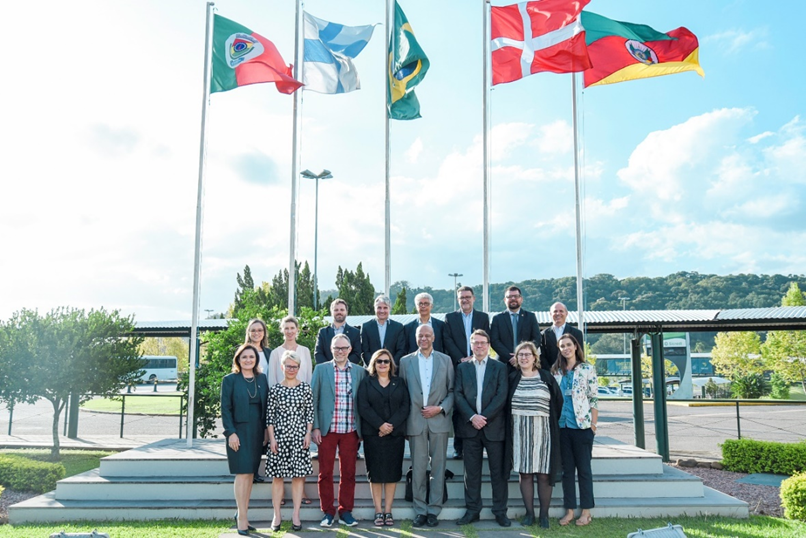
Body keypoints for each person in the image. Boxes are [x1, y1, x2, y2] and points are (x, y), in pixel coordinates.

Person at [398, 324, 454, 528]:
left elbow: (452, 391)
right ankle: (420, 510)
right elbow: (402, 394)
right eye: (420, 335)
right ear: (415, 338)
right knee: (419, 468)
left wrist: (439, 409)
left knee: (438, 467)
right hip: (415, 421)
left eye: (427, 335)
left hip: (439, 420)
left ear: (434, 337)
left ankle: (434, 510)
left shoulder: (445, 360)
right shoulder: (405, 362)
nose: (424, 338)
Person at [453, 330, 510, 527]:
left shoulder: (500, 367)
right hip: (469, 428)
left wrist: (483, 417)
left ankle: (500, 511)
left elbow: (502, 395)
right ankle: (472, 510)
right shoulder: (462, 368)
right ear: (471, 345)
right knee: (471, 473)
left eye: (482, 343)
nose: (479, 346)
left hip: (493, 427)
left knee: (498, 473)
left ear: (488, 345)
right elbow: (458, 395)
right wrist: (472, 417)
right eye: (475, 343)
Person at [310, 333, 367, 527]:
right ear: (331, 350)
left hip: (351, 429)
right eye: (336, 348)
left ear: (350, 350)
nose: (340, 351)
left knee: (348, 473)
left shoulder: (359, 371)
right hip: (327, 430)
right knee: (325, 472)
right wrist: (315, 427)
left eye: (344, 348)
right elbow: (313, 401)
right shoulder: (321, 369)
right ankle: (327, 511)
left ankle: (345, 511)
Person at [507, 341, 562, 529]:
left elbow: (558, 402)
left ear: (534, 358)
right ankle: (529, 514)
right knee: (525, 474)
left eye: (527, 354)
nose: (524, 357)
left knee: (544, 474)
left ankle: (544, 515)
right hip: (519, 433)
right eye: (520, 355)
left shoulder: (546, 377)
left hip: (543, 432)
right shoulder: (512, 378)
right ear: (516, 358)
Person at [357, 349, 410, 527]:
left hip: (394, 435)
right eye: (379, 361)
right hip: (373, 435)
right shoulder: (366, 383)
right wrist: (380, 425)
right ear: (374, 363)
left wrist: (390, 426)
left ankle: (388, 511)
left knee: (392, 474)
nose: (382, 364)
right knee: (376, 474)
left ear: (391, 364)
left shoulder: (399, 382)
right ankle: (378, 511)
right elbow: (363, 406)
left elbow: (405, 406)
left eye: (386, 361)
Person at [220, 344, 268, 536]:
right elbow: (225, 408)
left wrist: (266, 431)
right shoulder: (230, 380)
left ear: (256, 359)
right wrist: (230, 432)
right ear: (238, 360)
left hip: (257, 432)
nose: (248, 360)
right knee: (242, 473)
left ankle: (243, 514)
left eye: (251, 357)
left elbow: (267, 407)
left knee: (250, 475)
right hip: (238, 433)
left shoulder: (262, 379)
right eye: (244, 357)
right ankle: (241, 518)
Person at [552, 333, 598, 527]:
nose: (566, 348)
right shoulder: (556, 371)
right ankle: (569, 510)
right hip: (562, 427)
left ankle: (586, 511)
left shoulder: (587, 369)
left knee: (584, 471)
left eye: (569, 345)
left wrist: (593, 425)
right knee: (567, 472)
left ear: (576, 347)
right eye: (562, 346)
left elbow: (594, 398)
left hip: (582, 427)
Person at [266, 350, 313, 532]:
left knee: (298, 476)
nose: (291, 369)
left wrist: (308, 433)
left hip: (299, 438)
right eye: (288, 366)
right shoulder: (275, 389)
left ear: (299, 368)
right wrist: (272, 439)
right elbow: (270, 417)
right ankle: (277, 514)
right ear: (282, 367)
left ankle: (295, 514)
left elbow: (309, 413)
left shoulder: (305, 388)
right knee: (278, 477)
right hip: (279, 437)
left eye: (295, 366)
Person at [444, 286, 490, 459]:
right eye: (461, 297)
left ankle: (481, 443)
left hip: (479, 365)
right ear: (458, 300)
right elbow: (447, 339)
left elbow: (486, 339)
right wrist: (462, 358)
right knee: (459, 406)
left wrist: (474, 357)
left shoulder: (483, 317)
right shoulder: (450, 317)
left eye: (468, 297)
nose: (465, 300)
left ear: (474, 298)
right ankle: (459, 447)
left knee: (477, 402)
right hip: (459, 367)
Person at [490, 286, 541, 373]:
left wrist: (522, 355)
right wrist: (510, 357)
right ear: (504, 300)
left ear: (521, 299)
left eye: (516, 296)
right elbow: (494, 341)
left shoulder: (530, 317)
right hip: (503, 363)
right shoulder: (497, 318)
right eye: (509, 297)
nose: (513, 299)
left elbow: (537, 339)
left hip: (526, 363)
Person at [314, 298, 362, 365]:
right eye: (336, 310)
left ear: (346, 312)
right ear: (331, 312)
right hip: (327, 372)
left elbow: (357, 354)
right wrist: (330, 367)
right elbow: (318, 353)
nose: (339, 312)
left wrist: (343, 366)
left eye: (342, 310)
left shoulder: (355, 332)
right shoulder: (323, 332)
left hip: (348, 371)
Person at [360, 295, 406, 365]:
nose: (382, 311)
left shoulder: (398, 327)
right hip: (371, 370)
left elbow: (401, 350)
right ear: (374, 308)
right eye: (379, 308)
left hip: (392, 371)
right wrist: (373, 366)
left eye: (385, 308)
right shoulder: (366, 327)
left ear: (389, 309)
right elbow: (365, 351)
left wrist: (390, 366)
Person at [268, 316, 313, 385]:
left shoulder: (305, 351)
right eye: (286, 328)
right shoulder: (275, 353)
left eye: (292, 328)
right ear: (282, 330)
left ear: (297, 329)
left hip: (302, 393)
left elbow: (309, 377)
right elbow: (272, 380)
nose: (289, 331)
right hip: (280, 394)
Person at [541, 302, 584, 371]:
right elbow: (542, 357)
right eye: (555, 311)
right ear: (550, 314)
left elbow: (579, 354)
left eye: (561, 311)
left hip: (572, 372)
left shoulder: (577, 333)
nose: (558, 313)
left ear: (566, 313)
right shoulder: (543, 335)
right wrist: (550, 371)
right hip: (550, 374)